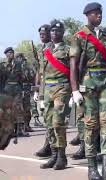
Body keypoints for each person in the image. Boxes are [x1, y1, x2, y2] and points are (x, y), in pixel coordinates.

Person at [69, 2, 106, 179]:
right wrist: (74, 90)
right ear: (88, 15)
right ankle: (92, 167)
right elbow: (74, 65)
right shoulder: (79, 36)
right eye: (96, 13)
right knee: (90, 125)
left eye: (100, 13)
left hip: (105, 82)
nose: (99, 16)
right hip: (88, 83)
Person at [38, 20, 70, 170]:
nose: (54, 33)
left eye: (58, 31)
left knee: (58, 122)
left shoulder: (68, 49)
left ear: (63, 33)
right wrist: (40, 96)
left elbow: (74, 71)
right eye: (52, 31)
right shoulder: (46, 51)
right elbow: (42, 74)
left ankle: (62, 157)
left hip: (62, 87)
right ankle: (54, 154)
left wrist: (74, 91)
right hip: (48, 89)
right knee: (49, 123)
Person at [34, 24, 53, 158]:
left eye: (44, 34)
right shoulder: (42, 48)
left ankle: (50, 146)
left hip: (52, 85)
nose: (42, 36)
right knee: (46, 116)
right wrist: (36, 89)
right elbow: (39, 70)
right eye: (40, 34)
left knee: (51, 117)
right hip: (43, 85)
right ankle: (49, 145)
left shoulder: (52, 48)